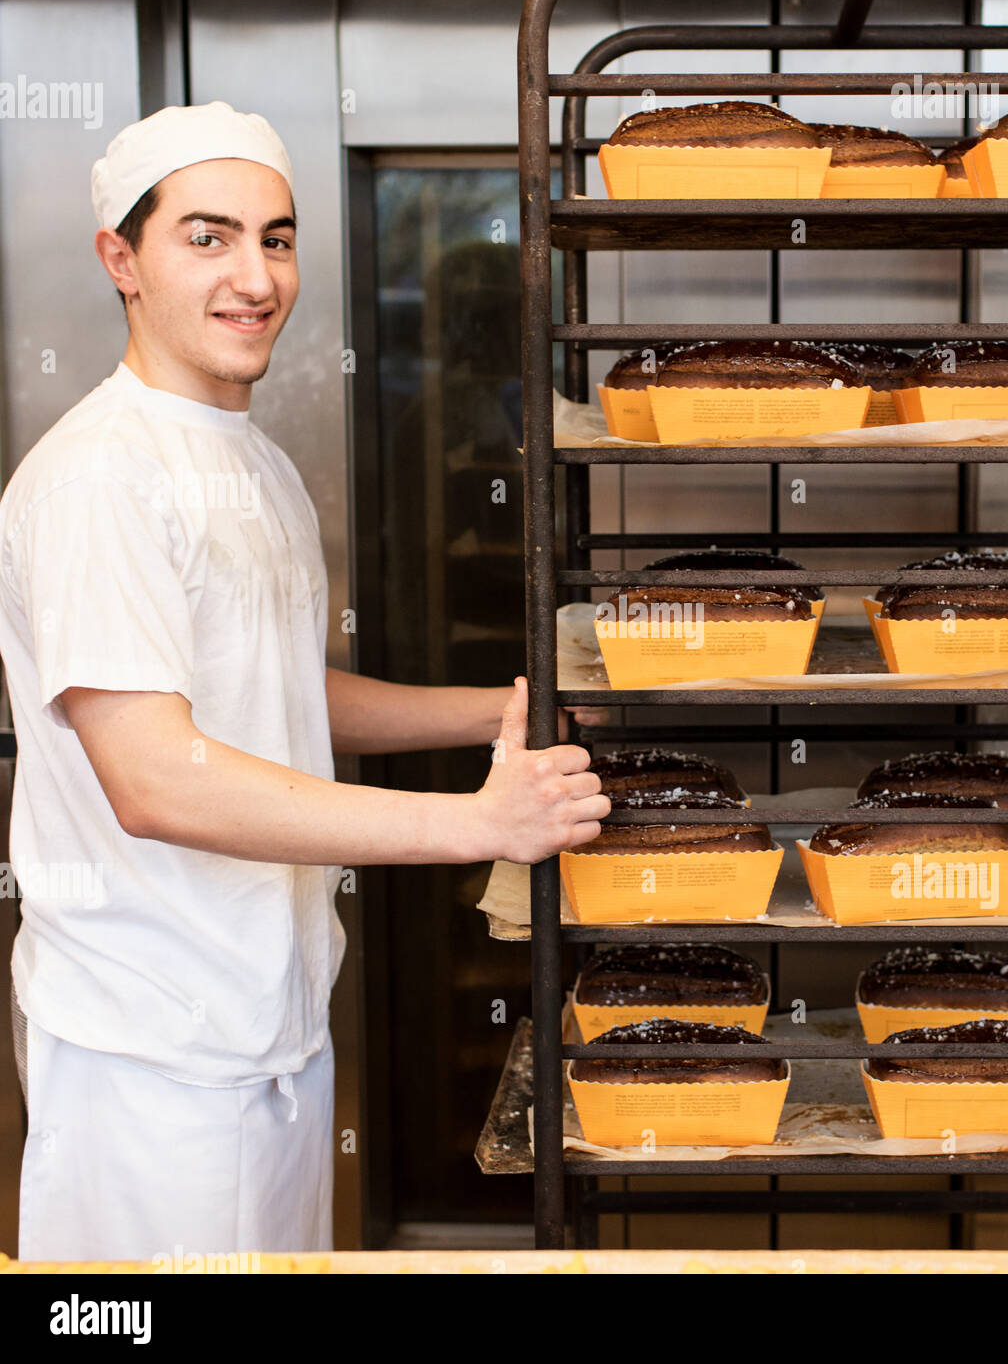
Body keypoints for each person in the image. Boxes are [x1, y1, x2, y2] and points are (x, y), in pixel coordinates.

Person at [0, 101, 609, 1262]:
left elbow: (277, 691)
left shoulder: (258, 461)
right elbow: (155, 779)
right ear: (120, 259)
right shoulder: (98, 481)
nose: (253, 275)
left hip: (269, 1032)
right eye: (208, 237)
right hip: (150, 1064)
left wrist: (501, 712)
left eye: (275, 239)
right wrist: (477, 820)